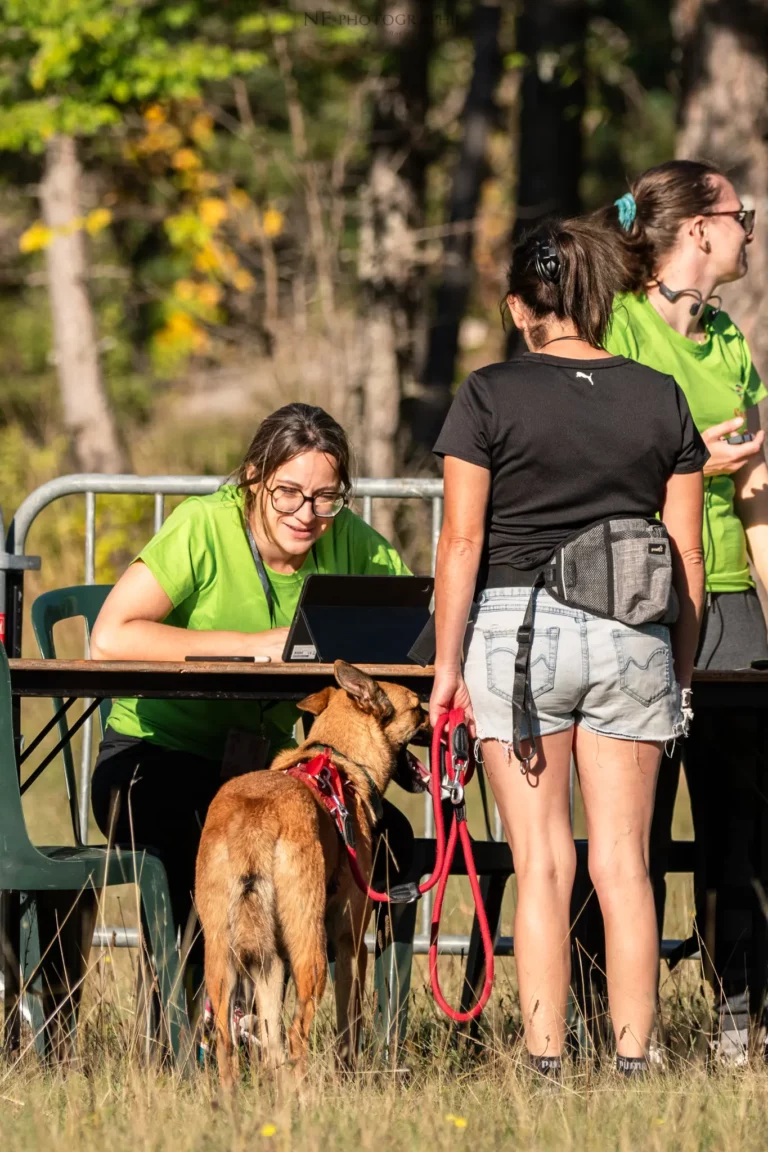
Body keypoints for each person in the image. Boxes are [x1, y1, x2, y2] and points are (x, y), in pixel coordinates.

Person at [429, 218, 707, 1077]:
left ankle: (546, 1064)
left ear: (520, 307)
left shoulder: (486, 395)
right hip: (635, 634)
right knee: (626, 864)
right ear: (598, 302)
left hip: (518, 634)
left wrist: (446, 672)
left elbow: (462, 545)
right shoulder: (662, 394)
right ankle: (633, 1061)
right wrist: (680, 669)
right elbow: (688, 555)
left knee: (541, 862)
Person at [89, 403, 414, 978]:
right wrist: (252, 643)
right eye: (287, 492)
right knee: (200, 831)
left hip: (268, 765)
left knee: (393, 840)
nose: (307, 514)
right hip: (153, 756)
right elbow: (110, 638)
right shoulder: (203, 525)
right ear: (252, 479)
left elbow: (416, 634)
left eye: (326, 498)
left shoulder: (354, 544)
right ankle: (189, 1033)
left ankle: (353, 1030)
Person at [599, 161, 768, 1062]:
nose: (750, 230)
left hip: (730, 594)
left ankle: (738, 1010)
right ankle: (606, 1021)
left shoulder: (730, 337)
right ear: (699, 230)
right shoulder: (614, 324)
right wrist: (692, 460)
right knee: (631, 820)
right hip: (633, 590)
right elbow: (598, 465)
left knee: (740, 817)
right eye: (742, 216)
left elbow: (759, 486)